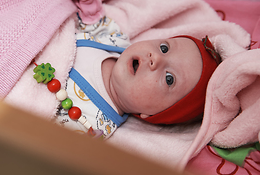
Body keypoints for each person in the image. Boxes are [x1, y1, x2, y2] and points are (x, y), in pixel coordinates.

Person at [36, 14, 220, 139]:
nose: (155, 58)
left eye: (169, 78)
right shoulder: (113, 40)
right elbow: (89, 16)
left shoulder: (92, 123)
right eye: (164, 48)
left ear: (151, 114)